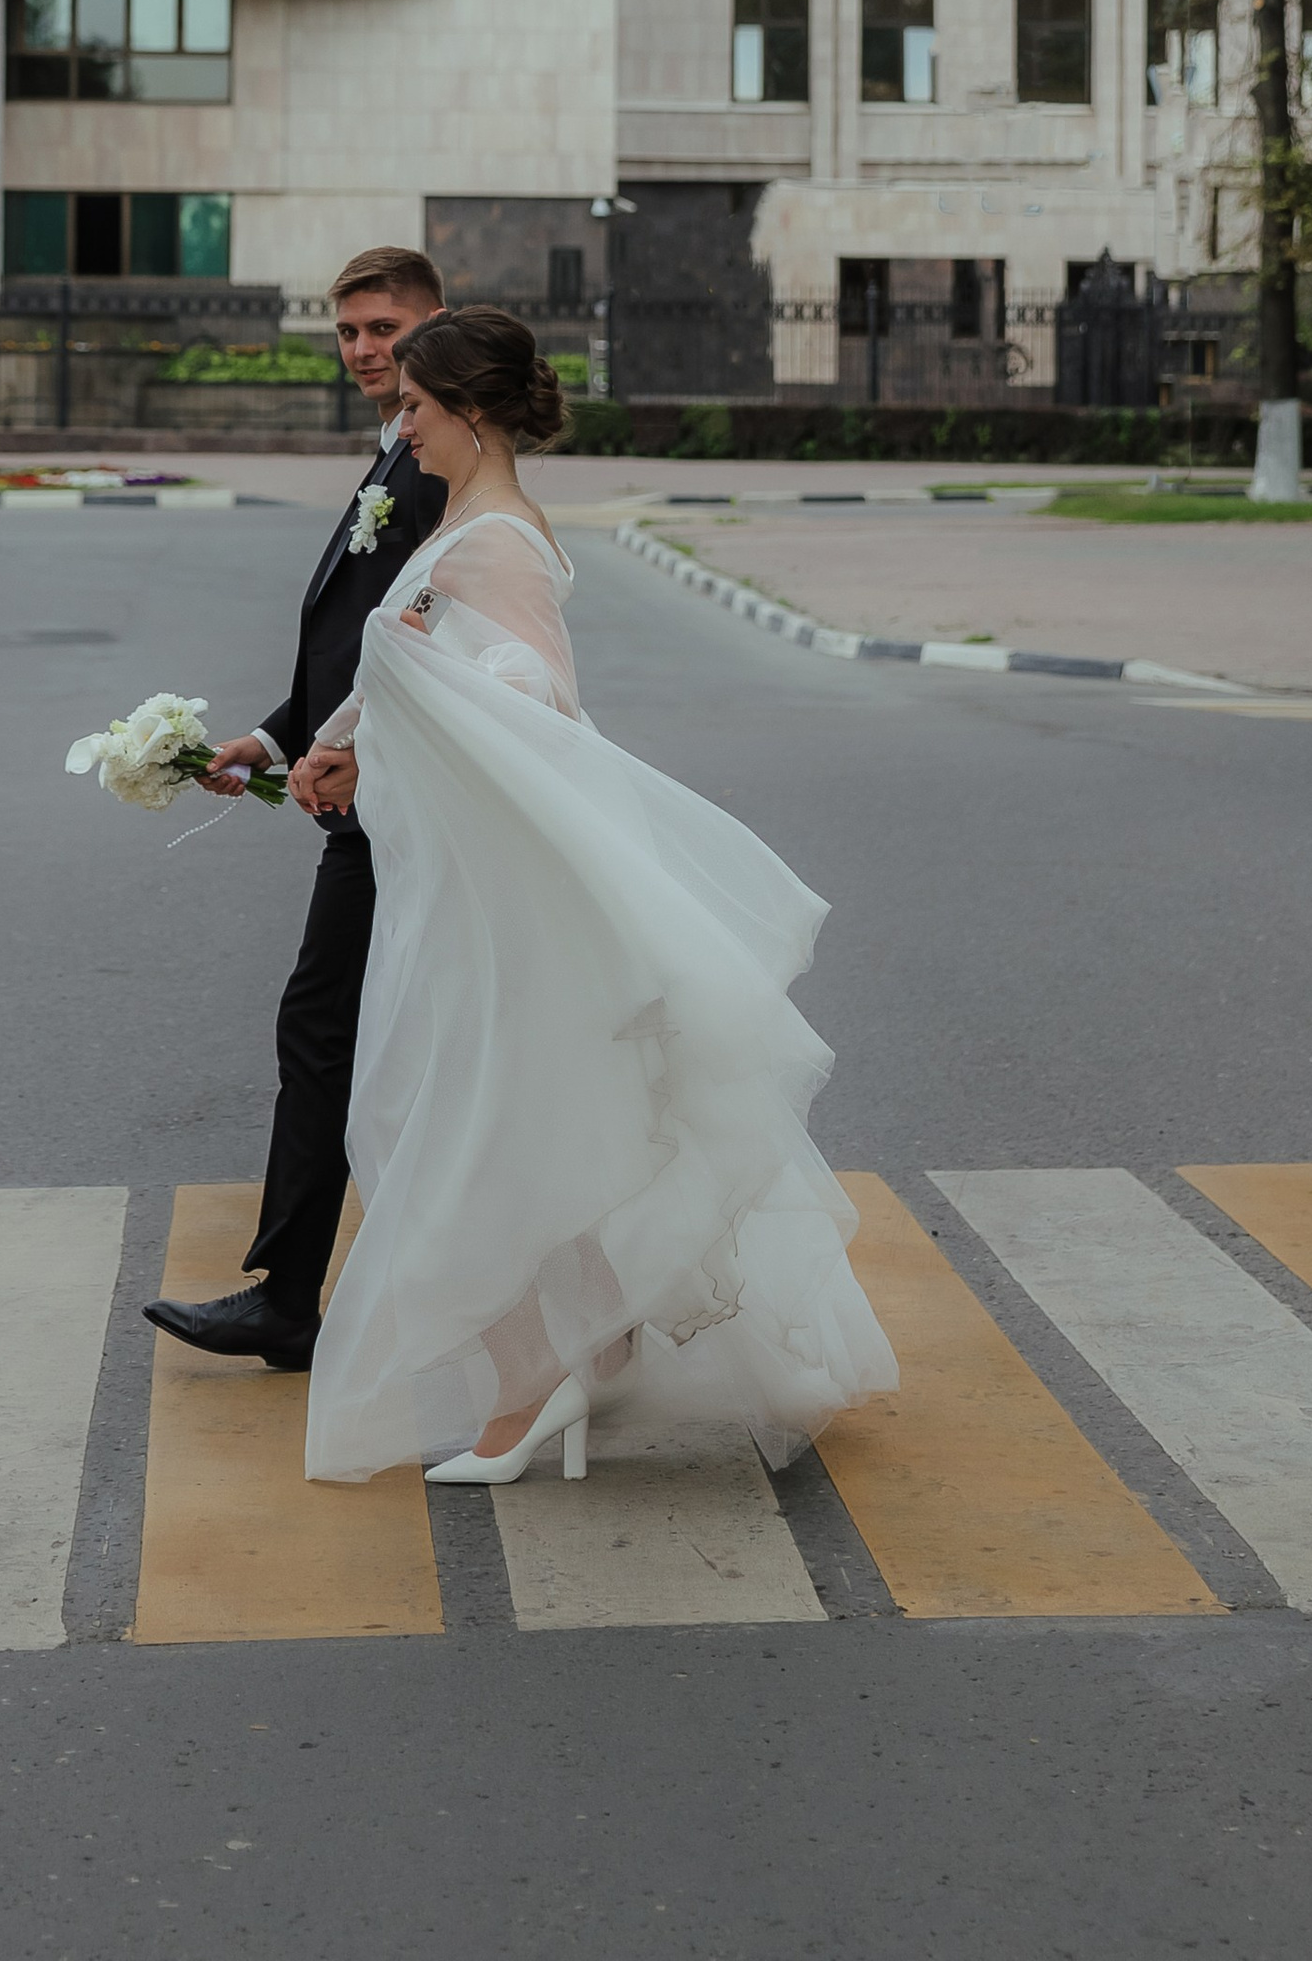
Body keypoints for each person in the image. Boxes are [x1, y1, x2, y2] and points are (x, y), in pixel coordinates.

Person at [292, 304, 896, 1485]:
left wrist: (395, 743)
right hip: (465, 889)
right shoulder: (469, 524)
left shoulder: (497, 542)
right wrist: (351, 742)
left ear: (470, 411)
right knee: (492, 1123)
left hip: (500, 900)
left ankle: (532, 1386)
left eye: (414, 407)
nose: (400, 428)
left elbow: (539, 704)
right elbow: (434, 667)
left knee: (449, 1129)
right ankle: (589, 1349)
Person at [141, 247, 451, 1374]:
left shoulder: (436, 467)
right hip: (372, 794)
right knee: (355, 1036)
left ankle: (295, 1298)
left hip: (402, 811)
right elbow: (361, 647)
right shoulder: (402, 451)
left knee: (332, 1033)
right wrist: (274, 740)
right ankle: (302, 1294)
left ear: (435, 326)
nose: (364, 350)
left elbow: (437, 648)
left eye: (385, 328)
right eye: (349, 332)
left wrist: (356, 751)